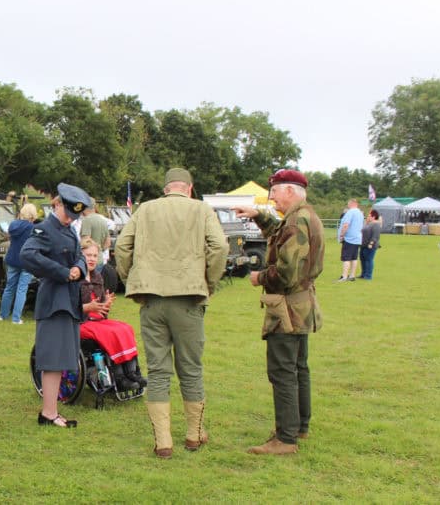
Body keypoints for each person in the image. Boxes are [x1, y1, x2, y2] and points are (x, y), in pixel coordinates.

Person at [114, 168, 228, 458]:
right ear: (189, 188)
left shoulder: (145, 210)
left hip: (152, 299)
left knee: (158, 370)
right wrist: (209, 282)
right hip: (189, 298)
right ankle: (193, 435)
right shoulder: (201, 209)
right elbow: (220, 246)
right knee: (190, 368)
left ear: (166, 189)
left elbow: (122, 247)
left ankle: (163, 442)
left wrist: (133, 281)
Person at [233, 169, 324, 455]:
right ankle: (299, 426)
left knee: (283, 371)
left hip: (288, 306)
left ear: (290, 191)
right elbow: (279, 233)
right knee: (299, 368)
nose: (271, 196)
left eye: (274, 191)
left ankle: (285, 439)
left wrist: (259, 277)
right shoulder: (304, 215)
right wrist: (257, 214)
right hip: (301, 303)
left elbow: (287, 272)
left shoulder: (298, 220)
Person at [21, 183, 92, 429]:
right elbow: (27, 255)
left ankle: (50, 411)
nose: (70, 219)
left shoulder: (69, 230)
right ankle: (48, 413)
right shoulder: (44, 229)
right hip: (54, 302)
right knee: (52, 359)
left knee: (61, 358)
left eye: (74, 216)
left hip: (69, 302)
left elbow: (80, 256)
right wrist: (63, 272)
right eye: (67, 213)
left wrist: (79, 269)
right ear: (58, 204)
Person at [77, 237, 146, 390]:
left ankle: (132, 372)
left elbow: (101, 308)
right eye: (88, 255)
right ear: (80, 256)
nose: (92, 259)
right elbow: (69, 307)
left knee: (125, 328)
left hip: (97, 320)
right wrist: (89, 307)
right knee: (111, 332)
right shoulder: (75, 277)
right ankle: (119, 377)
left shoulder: (97, 277)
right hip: (80, 321)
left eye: (95, 256)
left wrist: (105, 303)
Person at [0, 203, 38, 324]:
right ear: (33, 215)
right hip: (26, 261)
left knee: (9, 288)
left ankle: (3, 315)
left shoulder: (13, 225)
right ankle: (16, 318)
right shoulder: (32, 228)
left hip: (12, 259)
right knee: (22, 289)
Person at [336, 199, 363, 281]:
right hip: (357, 238)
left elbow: (346, 225)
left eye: (348, 203)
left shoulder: (350, 212)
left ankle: (344, 276)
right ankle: (352, 276)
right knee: (354, 258)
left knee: (346, 258)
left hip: (349, 238)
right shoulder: (360, 213)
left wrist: (342, 235)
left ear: (351, 203)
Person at [360, 210, 381, 280]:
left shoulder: (376, 224)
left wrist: (371, 243)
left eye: (369, 216)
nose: (367, 217)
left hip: (370, 246)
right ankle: (363, 274)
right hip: (363, 245)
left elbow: (375, 236)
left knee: (369, 260)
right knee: (363, 259)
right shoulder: (368, 223)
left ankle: (368, 276)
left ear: (373, 217)